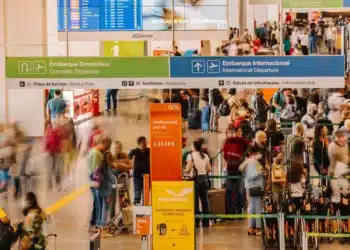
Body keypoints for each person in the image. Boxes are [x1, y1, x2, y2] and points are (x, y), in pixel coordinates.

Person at [184, 140, 211, 228]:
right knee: (205, 200)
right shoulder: (205, 156)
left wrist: (182, 173)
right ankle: (206, 221)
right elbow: (209, 169)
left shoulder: (190, 155)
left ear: (194, 147)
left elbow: (188, 168)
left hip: (196, 180)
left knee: (195, 201)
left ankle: (196, 221)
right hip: (204, 179)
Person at [87, 135, 112, 232]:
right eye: (108, 145)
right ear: (104, 143)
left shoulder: (92, 151)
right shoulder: (98, 154)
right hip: (97, 183)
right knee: (99, 205)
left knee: (96, 204)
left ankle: (95, 224)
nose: (108, 148)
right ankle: (97, 225)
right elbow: (96, 171)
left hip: (92, 181)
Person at [222, 125, 248, 215]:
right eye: (237, 132)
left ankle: (239, 209)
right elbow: (224, 155)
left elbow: (246, 149)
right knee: (229, 190)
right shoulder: (228, 141)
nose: (239, 134)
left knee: (240, 191)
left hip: (239, 170)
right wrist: (230, 161)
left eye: (241, 132)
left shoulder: (243, 141)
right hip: (230, 170)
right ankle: (230, 210)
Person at [239, 147, 264, 236]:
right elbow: (251, 176)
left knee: (252, 208)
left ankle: (251, 227)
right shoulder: (253, 162)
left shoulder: (248, 162)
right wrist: (261, 172)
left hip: (251, 187)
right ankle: (257, 228)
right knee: (256, 208)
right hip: (255, 187)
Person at [328, 130, 350, 203]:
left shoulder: (346, 145)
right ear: (338, 137)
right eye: (343, 136)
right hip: (335, 173)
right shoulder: (332, 146)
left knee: (346, 193)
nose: (345, 138)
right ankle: (335, 209)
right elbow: (332, 160)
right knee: (336, 196)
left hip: (345, 173)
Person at [129, 136, 150, 205]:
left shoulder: (149, 150)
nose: (146, 143)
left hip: (146, 177)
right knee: (137, 196)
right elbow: (129, 157)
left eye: (146, 141)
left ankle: (145, 211)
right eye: (144, 141)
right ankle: (136, 211)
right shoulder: (135, 151)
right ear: (140, 143)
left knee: (145, 196)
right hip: (137, 176)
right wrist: (131, 166)